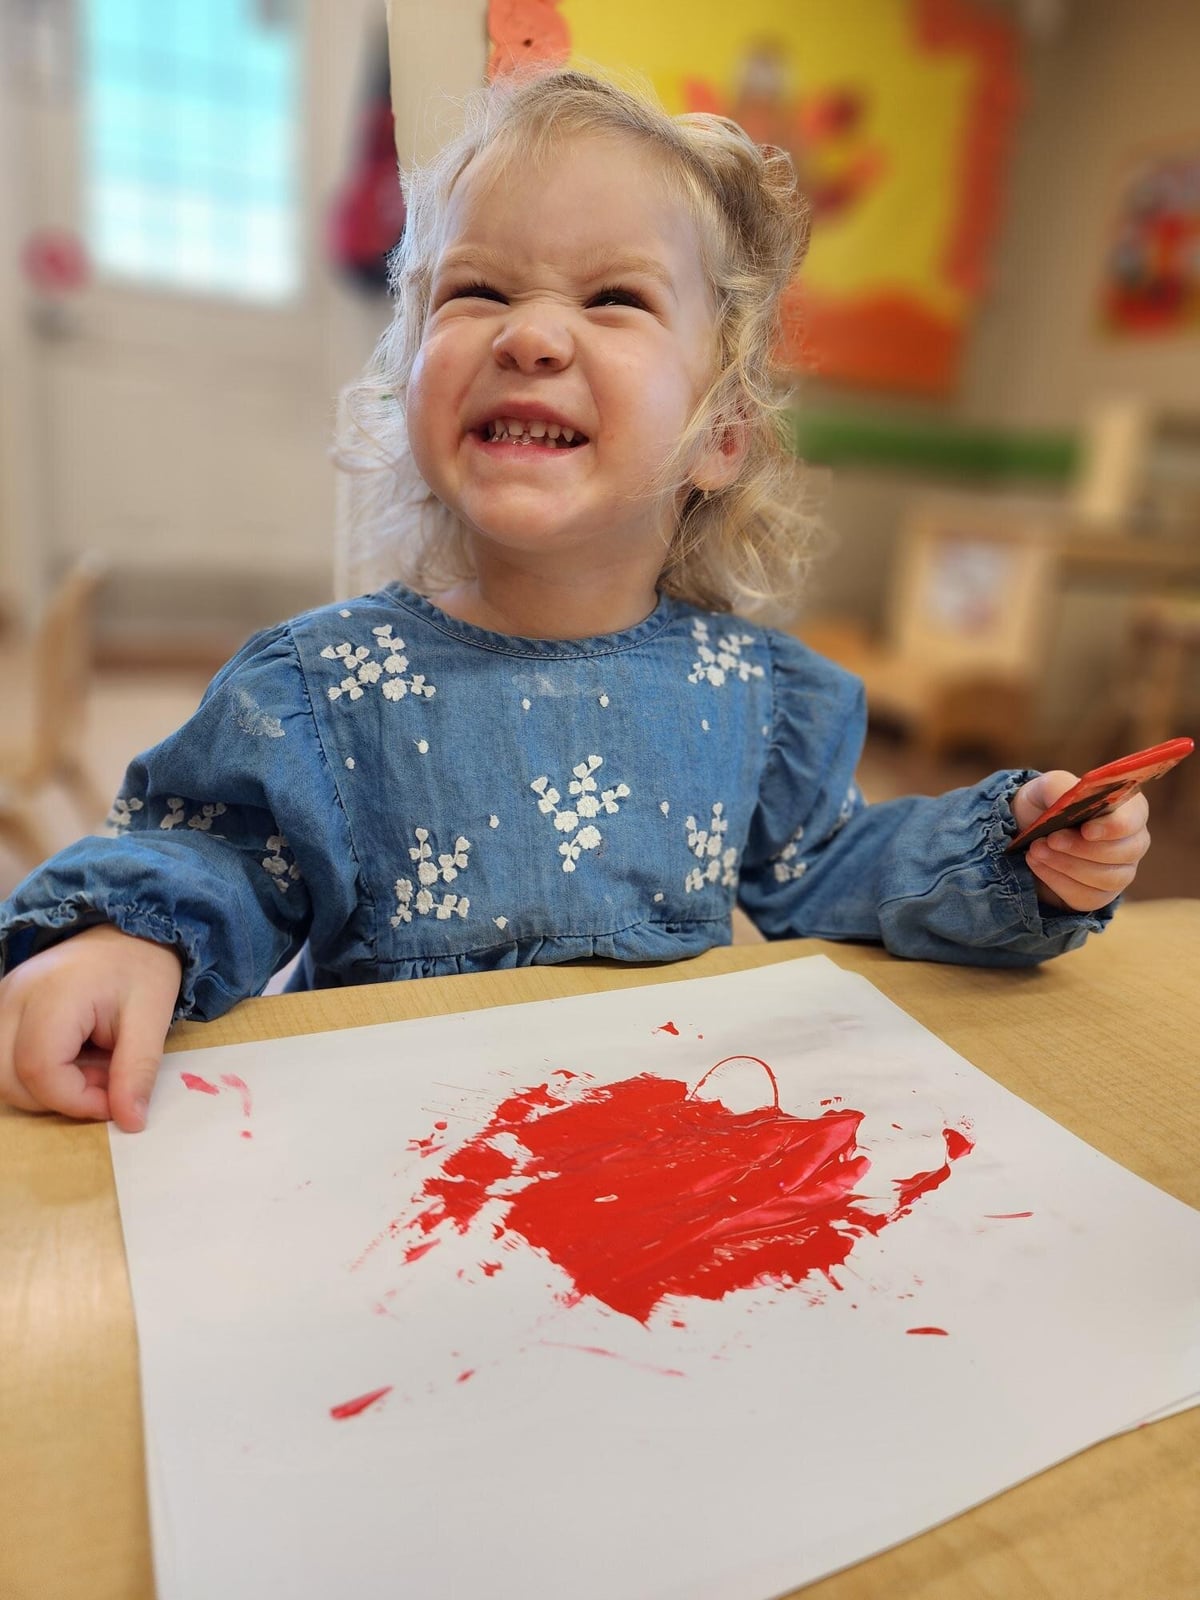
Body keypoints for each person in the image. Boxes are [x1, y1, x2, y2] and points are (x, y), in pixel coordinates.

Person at [0, 70, 1149, 1134]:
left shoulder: (750, 697)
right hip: (394, 1168)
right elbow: (218, 860)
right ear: (407, 380)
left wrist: (1006, 857)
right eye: (478, 290)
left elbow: (834, 866)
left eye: (612, 298)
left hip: (639, 1162)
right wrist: (126, 938)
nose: (532, 334)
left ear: (721, 433)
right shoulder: (320, 693)